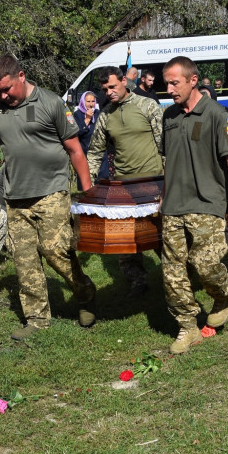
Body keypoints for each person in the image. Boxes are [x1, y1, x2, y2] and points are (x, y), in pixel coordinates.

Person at [0, 55, 97, 340]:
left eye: (7, 89)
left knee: (56, 250)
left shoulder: (50, 102)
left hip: (52, 191)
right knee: (24, 259)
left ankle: (85, 293)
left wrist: (88, 192)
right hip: (15, 195)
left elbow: (75, 150)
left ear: (21, 76)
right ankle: (36, 320)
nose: (3, 95)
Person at [160, 56, 228, 354]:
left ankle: (224, 293)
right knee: (172, 272)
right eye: (167, 83)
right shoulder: (168, 116)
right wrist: (163, 194)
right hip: (173, 205)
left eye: (175, 83)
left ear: (193, 80)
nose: (170, 89)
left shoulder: (216, 113)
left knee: (205, 264)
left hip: (208, 202)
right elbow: (168, 159)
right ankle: (187, 327)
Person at [88, 66, 164, 296]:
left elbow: (166, 144)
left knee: (161, 235)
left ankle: (177, 276)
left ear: (124, 81)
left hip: (153, 182)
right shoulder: (105, 116)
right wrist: (90, 185)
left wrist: (170, 181)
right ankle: (137, 281)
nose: (109, 92)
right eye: (105, 89)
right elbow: (94, 152)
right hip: (123, 186)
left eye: (112, 86)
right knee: (126, 240)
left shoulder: (147, 105)